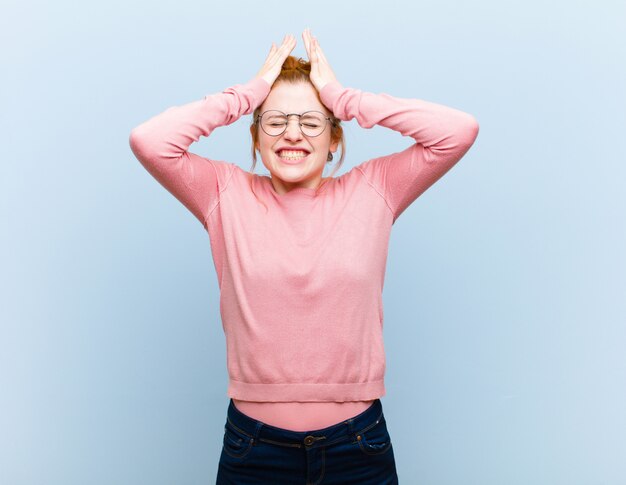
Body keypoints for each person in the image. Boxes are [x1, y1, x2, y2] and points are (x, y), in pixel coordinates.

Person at [129, 28, 479, 485]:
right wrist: (248, 93)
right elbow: (149, 139)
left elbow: (457, 131)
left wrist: (345, 97)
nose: (292, 133)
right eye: (275, 121)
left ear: (334, 138)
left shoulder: (374, 189)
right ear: (256, 139)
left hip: (358, 444)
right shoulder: (224, 193)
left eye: (311, 121)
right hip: (253, 448)